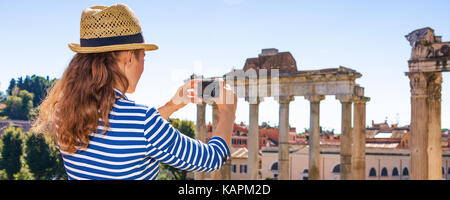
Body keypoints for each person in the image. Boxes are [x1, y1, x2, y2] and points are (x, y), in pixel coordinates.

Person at [32, 4, 237, 180]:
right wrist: (228, 111)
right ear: (129, 57)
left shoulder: (64, 114)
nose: (143, 66)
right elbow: (211, 158)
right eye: (143, 58)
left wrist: (171, 106)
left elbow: (125, 131)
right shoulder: (143, 122)